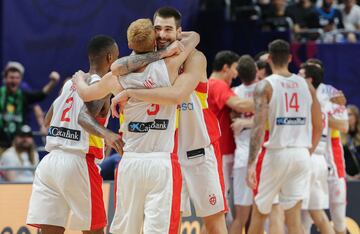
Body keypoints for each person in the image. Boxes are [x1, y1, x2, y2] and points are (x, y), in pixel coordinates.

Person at [110, 7, 252, 233]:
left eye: (168, 29)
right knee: (170, 223)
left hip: (199, 150)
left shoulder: (195, 58)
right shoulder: (148, 61)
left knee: (215, 221)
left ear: (179, 32)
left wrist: (130, 93)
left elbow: (177, 95)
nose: (162, 35)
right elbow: (116, 67)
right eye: (157, 29)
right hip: (168, 154)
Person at [74, 18, 199, 234]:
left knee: (124, 230)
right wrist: (168, 42)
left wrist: (79, 81)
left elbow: (86, 93)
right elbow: (194, 37)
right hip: (160, 161)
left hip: (130, 160)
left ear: (129, 45)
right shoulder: (170, 65)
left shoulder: (115, 79)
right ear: (154, 43)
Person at [26, 34, 159, 234]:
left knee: (48, 231)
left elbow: (47, 120)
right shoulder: (102, 84)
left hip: (49, 163)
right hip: (78, 162)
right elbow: (83, 117)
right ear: (109, 58)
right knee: (95, 230)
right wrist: (107, 134)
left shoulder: (70, 83)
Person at [246, 39, 322, 234]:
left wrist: (251, 163)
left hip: (277, 154)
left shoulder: (265, 86)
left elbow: (257, 128)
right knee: (294, 219)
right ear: (290, 58)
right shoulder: (307, 86)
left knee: (260, 212)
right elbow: (318, 124)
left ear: (269, 58)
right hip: (301, 154)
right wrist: (309, 150)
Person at [207, 51, 254, 225]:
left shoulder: (210, 84)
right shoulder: (218, 85)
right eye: (235, 69)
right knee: (220, 214)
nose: (236, 74)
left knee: (223, 213)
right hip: (221, 153)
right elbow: (239, 105)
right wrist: (270, 101)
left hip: (220, 152)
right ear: (226, 67)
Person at [299, 64, 335, 234]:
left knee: (295, 214)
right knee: (316, 214)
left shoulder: (305, 99)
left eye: (300, 74)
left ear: (309, 80)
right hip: (320, 159)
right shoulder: (324, 101)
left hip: (308, 155)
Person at [0, 62, 60, 154]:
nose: (14, 81)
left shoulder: (23, 95)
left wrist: (53, 82)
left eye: (17, 78)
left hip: (19, 145)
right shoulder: (1, 94)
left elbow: (41, 95)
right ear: (5, 78)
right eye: (11, 78)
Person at [229, 55, 258, 234]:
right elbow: (269, 118)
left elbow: (232, 119)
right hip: (261, 156)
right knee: (262, 215)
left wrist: (243, 122)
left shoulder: (234, 92)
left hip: (241, 158)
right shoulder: (265, 89)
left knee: (240, 217)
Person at [342, 105, 360, 179]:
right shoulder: (340, 136)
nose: (347, 117)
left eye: (349, 115)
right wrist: (346, 176)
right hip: (346, 177)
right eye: (345, 115)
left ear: (356, 117)